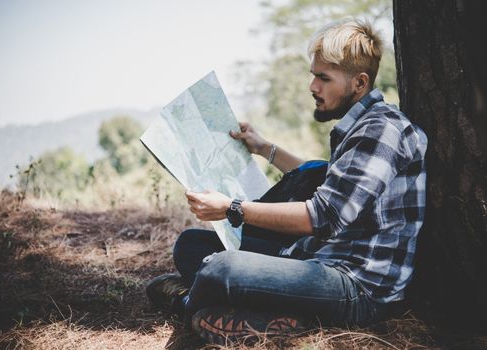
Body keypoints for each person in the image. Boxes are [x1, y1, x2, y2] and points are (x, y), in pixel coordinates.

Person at [146, 18, 427, 345]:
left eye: (324, 78)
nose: (313, 87)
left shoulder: (382, 131)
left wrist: (231, 208)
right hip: (320, 257)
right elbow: (323, 174)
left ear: (359, 83)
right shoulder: (364, 126)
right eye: (313, 75)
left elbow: (322, 216)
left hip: (357, 286)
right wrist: (264, 148)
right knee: (192, 244)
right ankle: (271, 312)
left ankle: (187, 306)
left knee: (219, 269)